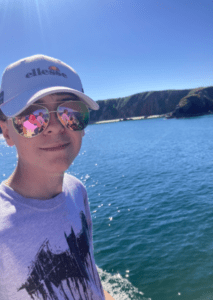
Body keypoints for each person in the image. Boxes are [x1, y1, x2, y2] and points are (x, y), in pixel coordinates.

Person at [0, 54, 115, 300]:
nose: (55, 126)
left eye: (71, 111)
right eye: (32, 117)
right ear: (7, 131)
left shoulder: (77, 190)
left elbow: (88, 274)